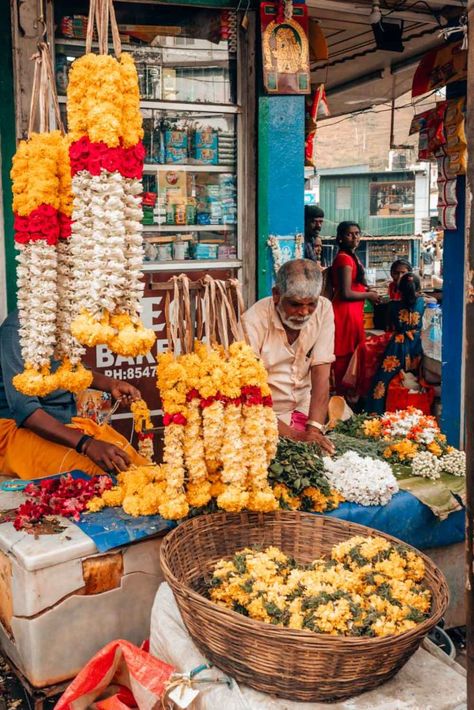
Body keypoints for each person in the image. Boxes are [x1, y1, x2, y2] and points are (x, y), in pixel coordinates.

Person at [0, 310, 149, 479]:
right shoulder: (18, 328)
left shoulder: (65, 319)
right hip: (18, 432)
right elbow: (26, 411)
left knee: (138, 468)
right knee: (100, 476)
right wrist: (86, 445)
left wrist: (112, 385)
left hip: (67, 426)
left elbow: (73, 371)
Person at [243, 259, 335, 453]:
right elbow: (248, 395)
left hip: (303, 409)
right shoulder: (252, 322)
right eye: (295, 304)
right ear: (277, 295)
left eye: (311, 304)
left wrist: (313, 431)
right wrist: (295, 436)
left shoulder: (324, 309)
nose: (304, 312)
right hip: (262, 417)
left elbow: (322, 373)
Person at [331, 221, 380, 394]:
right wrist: (369, 295)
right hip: (345, 314)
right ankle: (342, 401)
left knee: (353, 358)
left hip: (352, 313)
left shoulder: (353, 257)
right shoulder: (344, 258)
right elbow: (345, 293)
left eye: (357, 233)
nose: (355, 237)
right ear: (340, 238)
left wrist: (367, 290)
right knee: (345, 359)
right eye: (349, 234)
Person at [366, 273, 425, 415]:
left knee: (382, 379)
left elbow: (388, 327)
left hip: (397, 345)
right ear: (418, 289)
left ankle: (376, 413)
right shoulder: (423, 302)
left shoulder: (392, 305)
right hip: (417, 345)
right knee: (417, 378)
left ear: (399, 290)